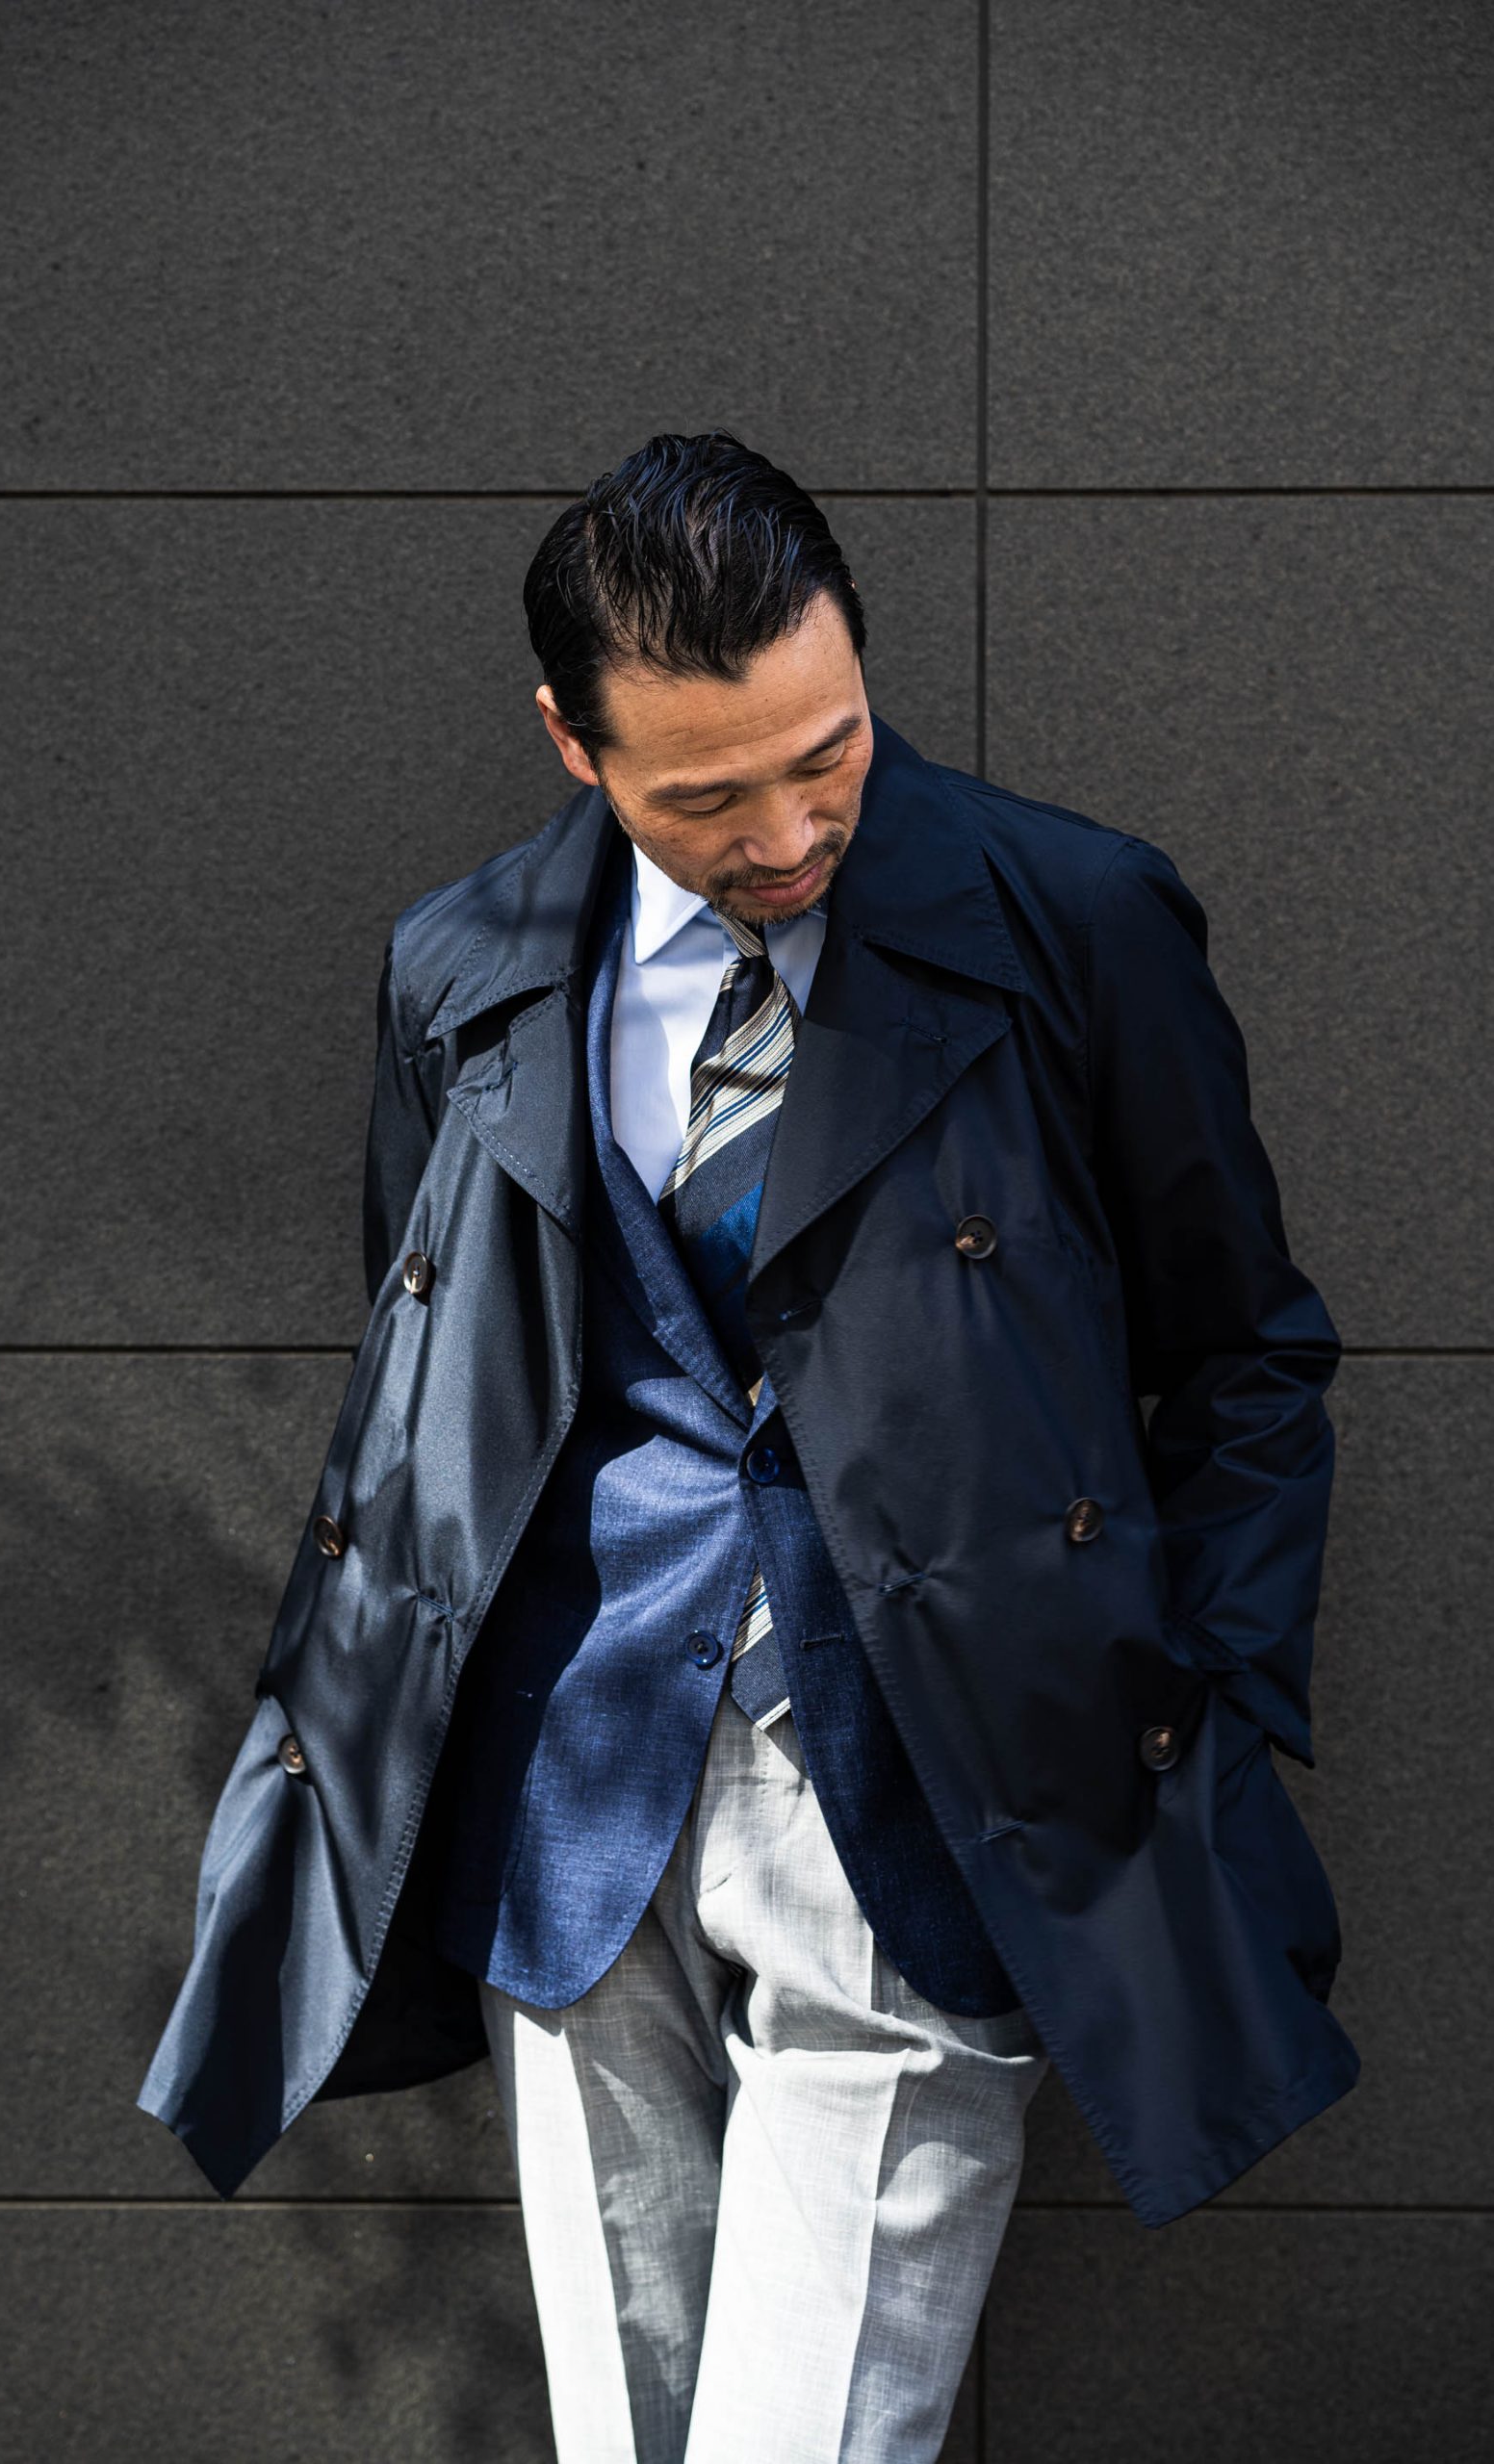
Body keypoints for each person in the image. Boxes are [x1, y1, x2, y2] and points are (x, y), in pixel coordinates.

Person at [139, 429, 1359, 2464]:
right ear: (574, 742)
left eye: (827, 753)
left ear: (855, 659)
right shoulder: (462, 964)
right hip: (571, 1795)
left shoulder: (1072, 916)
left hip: (941, 1771)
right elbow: (443, 1362)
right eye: (705, 795)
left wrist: (1188, 1705)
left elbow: (1242, 1350)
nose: (789, 832)